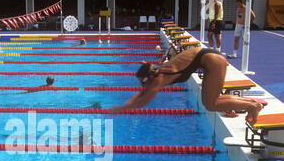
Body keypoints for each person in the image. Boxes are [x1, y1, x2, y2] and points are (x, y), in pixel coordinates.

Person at [110, 47, 263, 124]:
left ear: (149, 77)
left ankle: (252, 107)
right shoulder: (157, 74)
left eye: (142, 81)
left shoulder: (159, 79)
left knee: (211, 104)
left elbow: (143, 101)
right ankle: (251, 104)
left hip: (212, 60)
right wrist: (124, 106)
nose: (142, 84)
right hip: (208, 58)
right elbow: (142, 93)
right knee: (212, 100)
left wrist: (121, 109)